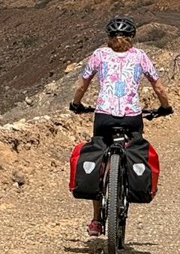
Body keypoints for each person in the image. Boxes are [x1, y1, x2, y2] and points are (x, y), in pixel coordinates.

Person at [70, 16, 173, 236]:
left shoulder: (99, 55)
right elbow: (159, 88)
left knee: (99, 155)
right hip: (131, 117)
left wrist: (76, 104)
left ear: (109, 38)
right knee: (133, 149)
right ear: (132, 38)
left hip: (104, 117)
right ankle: (126, 182)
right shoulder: (140, 56)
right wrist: (165, 107)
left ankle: (97, 220)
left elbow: (82, 84)